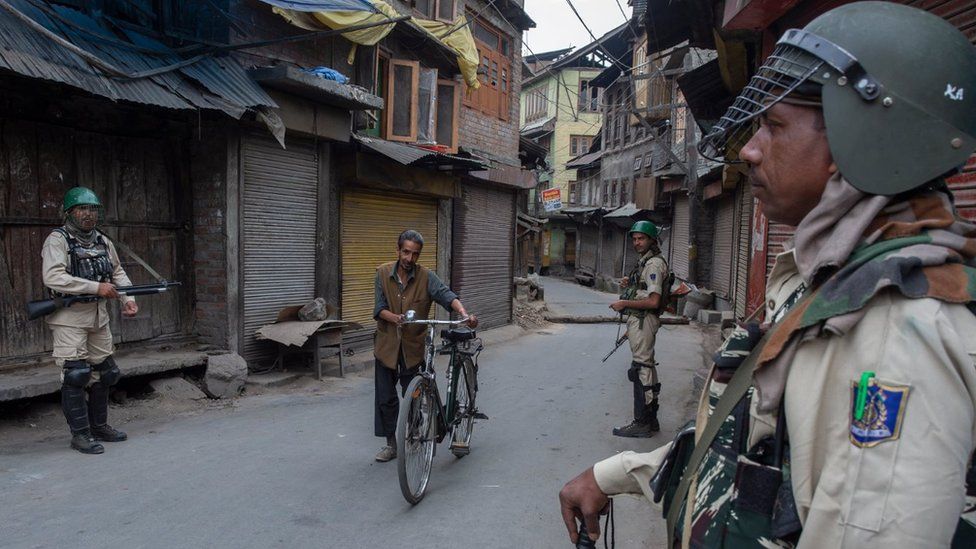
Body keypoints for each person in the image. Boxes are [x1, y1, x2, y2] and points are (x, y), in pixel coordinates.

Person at [559, 3, 976, 547]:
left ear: (861, 139)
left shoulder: (891, 331)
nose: (751, 150)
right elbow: (745, 447)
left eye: (774, 126)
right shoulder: (831, 283)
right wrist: (613, 475)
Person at [42, 187, 138, 455]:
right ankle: (80, 435)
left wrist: (127, 298)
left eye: (92, 209)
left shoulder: (102, 240)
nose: (88, 214)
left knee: (105, 372)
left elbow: (116, 271)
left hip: (98, 316)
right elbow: (53, 277)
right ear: (70, 212)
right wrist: (96, 288)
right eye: (82, 209)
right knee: (76, 374)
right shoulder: (57, 240)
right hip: (70, 318)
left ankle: (99, 427)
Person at [372, 230, 477, 462]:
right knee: (385, 399)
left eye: (415, 254)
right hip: (387, 345)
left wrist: (463, 313)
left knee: (415, 396)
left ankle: (416, 431)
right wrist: (396, 318)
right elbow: (378, 309)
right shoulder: (381, 274)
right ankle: (391, 444)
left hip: (413, 347)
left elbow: (446, 295)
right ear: (398, 250)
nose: (409, 258)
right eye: (406, 252)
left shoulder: (426, 277)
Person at [607, 221, 669, 437]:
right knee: (646, 368)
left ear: (652, 240)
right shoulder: (647, 263)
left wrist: (624, 304)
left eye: (641, 238)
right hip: (640, 322)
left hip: (644, 320)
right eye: (634, 239)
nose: (637, 242)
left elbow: (653, 301)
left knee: (641, 369)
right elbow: (645, 292)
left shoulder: (652, 265)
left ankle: (641, 423)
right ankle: (651, 421)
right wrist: (631, 285)